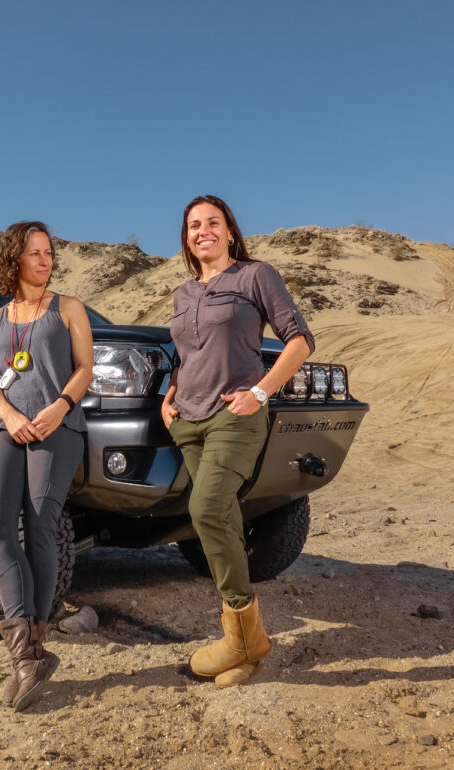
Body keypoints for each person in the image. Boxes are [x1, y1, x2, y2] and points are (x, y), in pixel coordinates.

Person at [161, 195, 315, 688]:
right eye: (193, 226)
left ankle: (241, 637)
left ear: (230, 230)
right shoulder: (185, 293)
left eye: (212, 223)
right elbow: (189, 353)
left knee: (206, 509)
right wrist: (170, 394)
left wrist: (260, 393)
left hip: (235, 415)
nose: (202, 231)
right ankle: (246, 652)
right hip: (189, 419)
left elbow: (299, 341)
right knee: (220, 514)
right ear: (186, 238)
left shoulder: (255, 276)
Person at [0, 221, 93, 711]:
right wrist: (9, 415)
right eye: (35, 253)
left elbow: (85, 367)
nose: (45, 261)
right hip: (4, 428)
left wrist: (59, 407)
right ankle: (27, 655)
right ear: (15, 260)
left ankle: (34, 648)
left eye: (49, 253)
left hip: (56, 427)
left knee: (41, 525)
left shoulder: (69, 309)